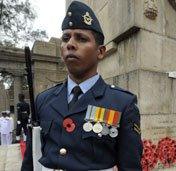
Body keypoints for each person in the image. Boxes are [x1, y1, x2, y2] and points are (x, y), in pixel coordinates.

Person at [21, 1, 143, 170]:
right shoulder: (44, 100)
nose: (70, 43)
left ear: (100, 52)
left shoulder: (122, 104)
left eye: (81, 38)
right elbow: (29, 162)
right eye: (66, 38)